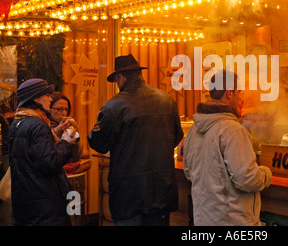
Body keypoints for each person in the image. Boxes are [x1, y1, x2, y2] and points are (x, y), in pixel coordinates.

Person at [88, 54, 184, 226]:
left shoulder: (113, 105)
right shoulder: (166, 99)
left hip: (128, 193)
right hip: (160, 190)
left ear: (121, 77)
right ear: (139, 75)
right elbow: (176, 137)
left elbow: (98, 144)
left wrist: (97, 124)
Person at [183, 70, 272, 226]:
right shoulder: (233, 130)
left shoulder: (193, 130)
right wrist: (266, 173)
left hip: (203, 219)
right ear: (230, 93)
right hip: (232, 221)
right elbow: (247, 179)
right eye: (239, 92)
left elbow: (188, 172)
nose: (242, 97)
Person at [8, 78, 78, 225]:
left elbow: (32, 156)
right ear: (36, 98)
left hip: (26, 205)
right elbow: (50, 163)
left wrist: (56, 133)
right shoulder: (38, 124)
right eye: (47, 95)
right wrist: (66, 142)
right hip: (45, 207)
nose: (50, 98)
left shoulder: (18, 122)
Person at [49, 91, 81, 161]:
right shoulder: (42, 125)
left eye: (66, 109)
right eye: (59, 109)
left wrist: (75, 135)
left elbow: (76, 156)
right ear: (49, 109)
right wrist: (56, 132)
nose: (64, 113)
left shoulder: (68, 127)